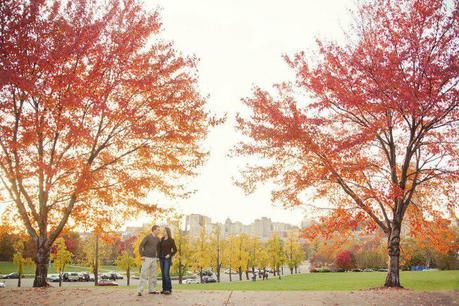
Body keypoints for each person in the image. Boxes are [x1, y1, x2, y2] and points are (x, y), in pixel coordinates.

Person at [137, 225, 161, 296]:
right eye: (158, 230)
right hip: (146, 258)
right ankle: (140, 290)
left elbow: (159, 249)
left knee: (153, 275)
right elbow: (141, 246)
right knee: (143, 274)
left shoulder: (158, 239)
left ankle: (152, 290)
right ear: (154, 230)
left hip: (154, 258)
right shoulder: (147, 237)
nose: (159, 231)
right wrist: (142, 255)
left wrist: (158, 257)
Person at [158, 226, 177, 295]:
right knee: (163, 274)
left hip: (167, 259)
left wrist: (170, 254)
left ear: (167, 232)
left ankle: (168, 289)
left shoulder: (171, 240)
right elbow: (159, 249)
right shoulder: (162, 239)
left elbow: (175, 250)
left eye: (164, 231)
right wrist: (158, 256)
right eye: (163, 231)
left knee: (166, 274)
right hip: (161, 258)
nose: (163, 232)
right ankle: (164, 289)